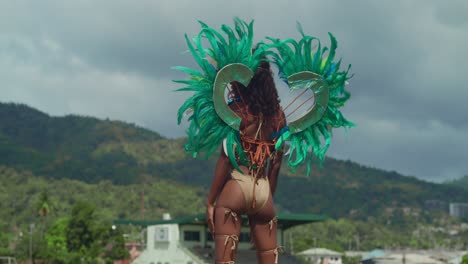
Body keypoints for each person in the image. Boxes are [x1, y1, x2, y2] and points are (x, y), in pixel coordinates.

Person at [205, 60, 286, 264]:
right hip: (264, 190)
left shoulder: (236, 109)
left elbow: (225, 158)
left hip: (237, 187)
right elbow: (275, 166)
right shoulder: (279, 117)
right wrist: (265, 200)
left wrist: (210, 201)